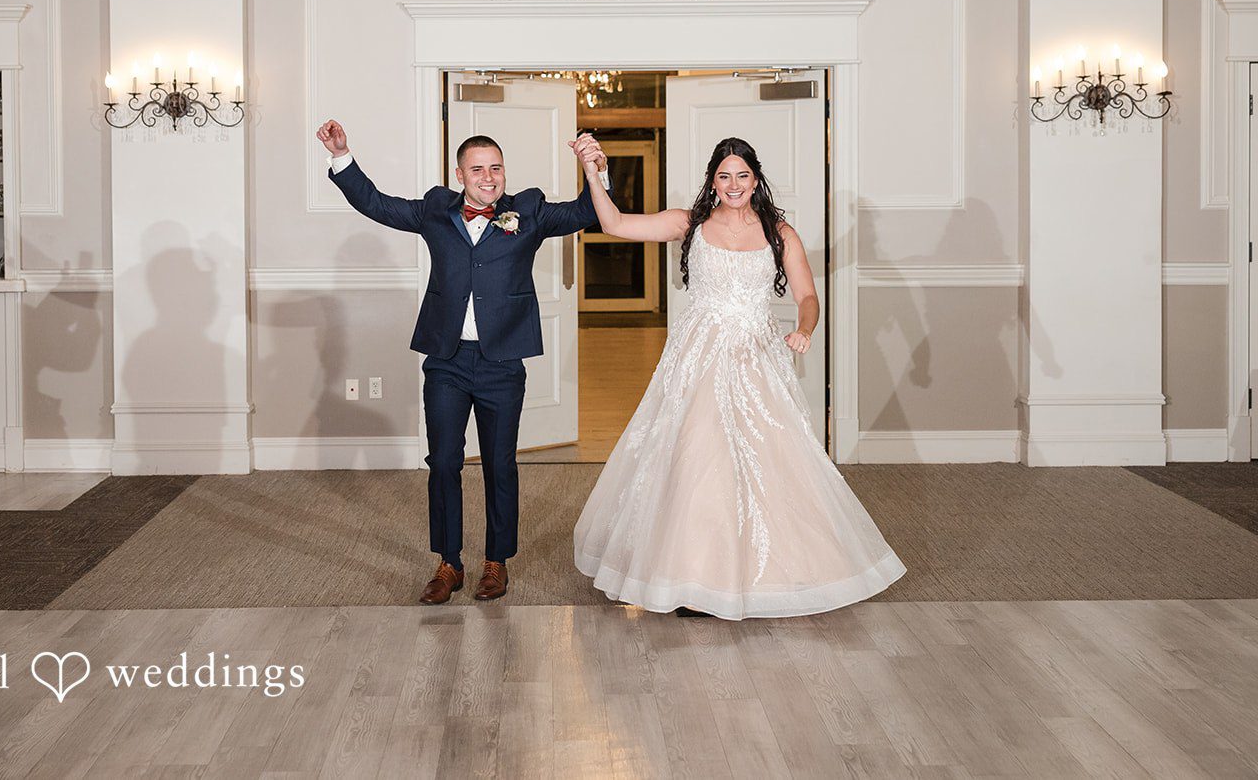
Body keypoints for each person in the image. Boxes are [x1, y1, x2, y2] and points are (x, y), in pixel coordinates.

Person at [570, 134, 905, 619]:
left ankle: (768, 574)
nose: (733, 185)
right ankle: (694, 578)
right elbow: (615, 223)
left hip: (754, 358)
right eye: (724, 176)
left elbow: (808, 297)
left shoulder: (779, 233)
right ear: (713, 180)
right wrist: (593, 172)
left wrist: (805, 330)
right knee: (696, 457)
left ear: (756, 179)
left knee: (769, 458)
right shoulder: (689, 223)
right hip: (698, 357)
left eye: (742, 176)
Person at [316, 119, 609, 604]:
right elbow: (377, 204)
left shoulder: (529, 211)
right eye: (478, 169)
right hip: (446, 361)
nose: (488, 177)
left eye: (496, 168)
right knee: (444, 462)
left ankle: (497, 562)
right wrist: (342, 156)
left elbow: (585, 211)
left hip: (502, 363)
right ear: (460, 174)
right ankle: (449, 562)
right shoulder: (436, 209)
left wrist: (595, 168)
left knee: (500, 464)